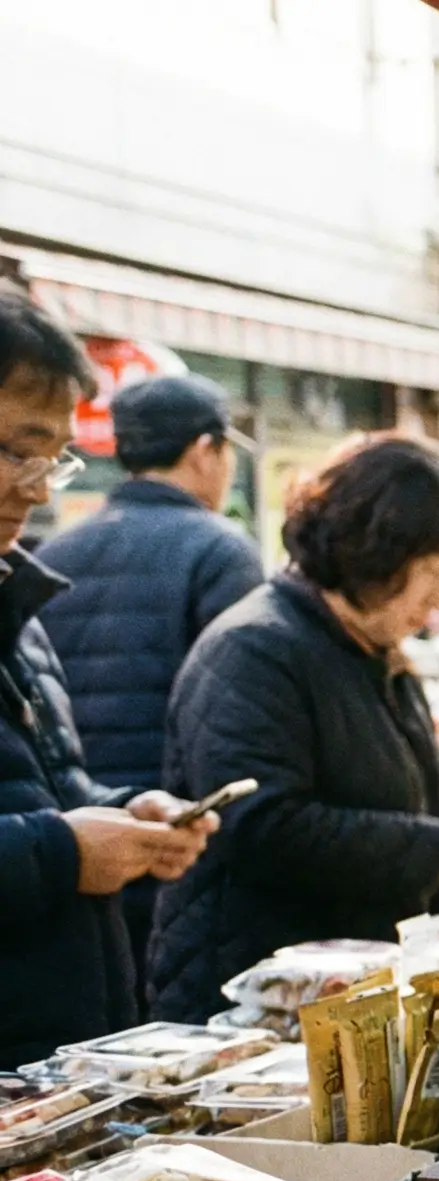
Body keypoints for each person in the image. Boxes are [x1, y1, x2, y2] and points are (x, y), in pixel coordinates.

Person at [147, 436, 439, 1023]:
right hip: (260, 1004)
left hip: (355, 996)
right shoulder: (255, 648)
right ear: (375, 553)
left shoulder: (376, 651)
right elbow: (264, 827)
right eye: (434, 570)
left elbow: (386, 797)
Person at [0, 292, 214, 1046]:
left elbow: (41, 790)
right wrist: (63, 852)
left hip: (54, 1071)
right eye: (12, 451)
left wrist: (124, 813)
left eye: (50, 459)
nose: (32, 487)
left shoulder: (16, 597)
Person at [35, 373, 265, 989]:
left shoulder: (54, 553)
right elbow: (239, 706)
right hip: (172, 835)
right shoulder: (221, 551)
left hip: (75, 839)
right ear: (203, 449)